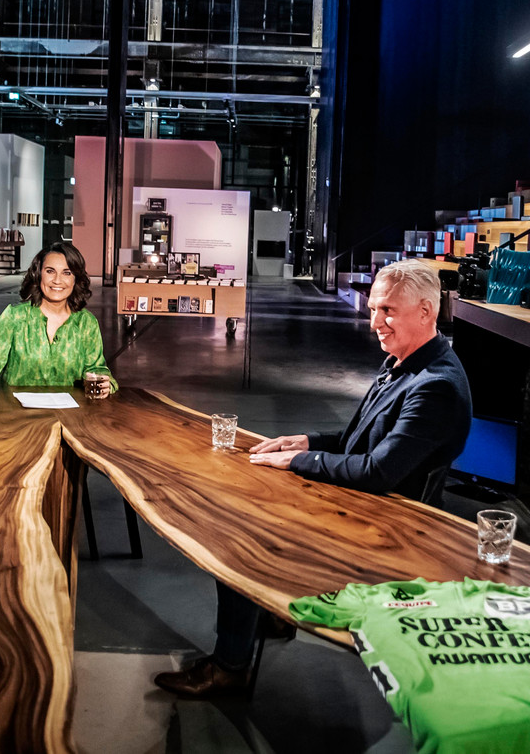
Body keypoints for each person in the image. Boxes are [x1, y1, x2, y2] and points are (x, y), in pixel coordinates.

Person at [154, 259, 473, 698]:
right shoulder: (406, 361)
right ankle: (269, 613)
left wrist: (298, 461)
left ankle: (230, 667)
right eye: (373, 308)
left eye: (387, 311)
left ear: (426, 312)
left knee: (240, 534)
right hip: (371, 503)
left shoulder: (435, 385)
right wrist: (305, 441)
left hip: (388, 526)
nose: (374, 322)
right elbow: (359, 440)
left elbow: (378, 471)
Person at [0, 242, 117, 400]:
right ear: (38, 274)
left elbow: (97, 369)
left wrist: (106, 384)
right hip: (18, 416)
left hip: (69, 416)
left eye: (67, 273)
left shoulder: (86, 323)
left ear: (76, 279)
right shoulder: (15, 317)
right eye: (50, 271)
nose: (57, 280)